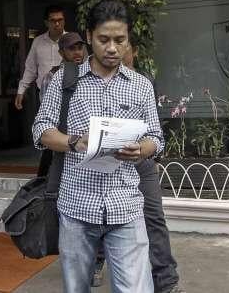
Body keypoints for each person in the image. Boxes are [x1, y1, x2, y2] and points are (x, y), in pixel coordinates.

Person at [33, 0, 163, 292]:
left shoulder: (140, 85)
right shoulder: (65, 81)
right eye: (104, 40)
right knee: (76, 288)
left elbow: (156, 137)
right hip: (77, 207)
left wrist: (141, 149)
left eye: (120, 40)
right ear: (89, 36)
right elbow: (41, 130)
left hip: (126, 206)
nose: (113, 48)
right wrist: (74, 142)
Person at [90, 43, 184, 293]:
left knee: (154, 217)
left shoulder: (144, 83)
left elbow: (153, 128)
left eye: (124, 45)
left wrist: (149, 151)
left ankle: (166, 280)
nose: (116, 50)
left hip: (140, 160)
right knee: (101, 213)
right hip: (105, 159)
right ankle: (96, 262)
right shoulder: (94, 81)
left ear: (133, 51)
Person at [14, 5, 66, 110]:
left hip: (67, 94)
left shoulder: (72, 41)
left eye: (60, 20)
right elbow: (30, 68)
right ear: (46, 22)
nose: (57, 24)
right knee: (44, 125)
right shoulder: (38, 42)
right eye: (53, 20)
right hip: (43, 95)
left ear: (64, 21)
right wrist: (21, 90)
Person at [39, 31, 87, 98]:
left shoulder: (89, 73)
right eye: (72, 48)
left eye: (80, 48)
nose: (77, 52)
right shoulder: (52, 76)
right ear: (61, 52)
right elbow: (46, 106)